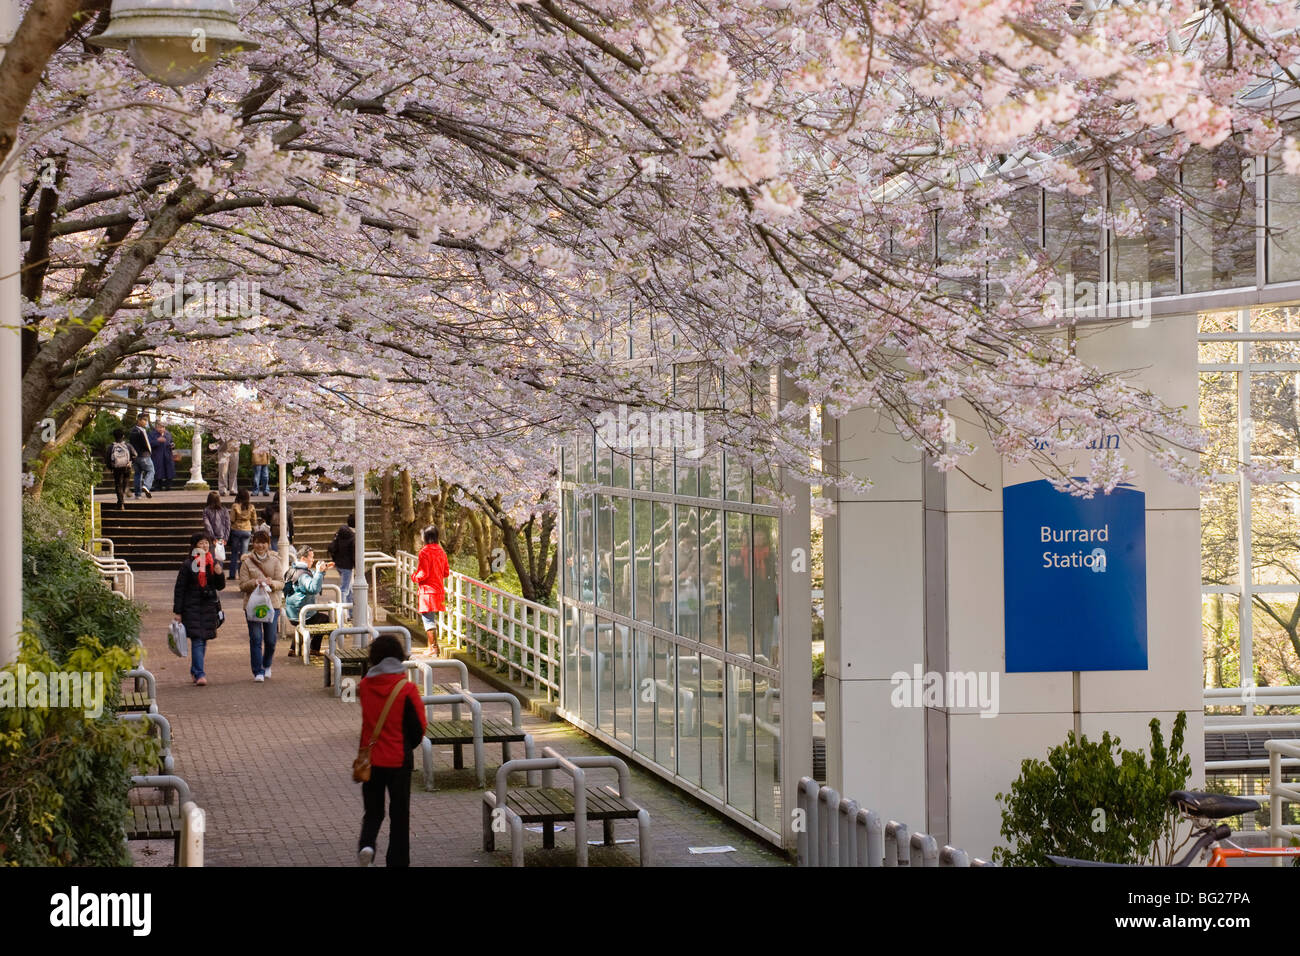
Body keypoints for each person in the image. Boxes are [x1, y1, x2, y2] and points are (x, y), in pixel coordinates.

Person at [356, 634, 426, 868]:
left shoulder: (365, 686)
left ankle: (367, 845)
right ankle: (397, 862)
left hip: (371, 760)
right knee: (399, 816)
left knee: (373, 812)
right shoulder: (406, 689)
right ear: (399, 657)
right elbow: (419, 727)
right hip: (398, 760)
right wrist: (407, 746)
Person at [173, 532, 225, 686]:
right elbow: (179, 589)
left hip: (209, 606)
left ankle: (195, 670)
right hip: (192, 607)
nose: (204, 546)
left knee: (203, 640)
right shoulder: (188, 564)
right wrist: (178, 612)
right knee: (197, 640)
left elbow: (220, 586)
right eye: (201, 543)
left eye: (207, 543)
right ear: (194, 546)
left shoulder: (212, 562)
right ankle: (200, 674)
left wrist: (219, 573)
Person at [237, 530, 284, 681]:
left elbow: (281, 582)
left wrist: (272, 583)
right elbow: (242, 585)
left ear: (268, 544)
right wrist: (255, 582)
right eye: (257, 542)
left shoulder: (275, 560)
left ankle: (267, 664)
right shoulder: (246, 562)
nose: (260, 545)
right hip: (253, 605)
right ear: (253, 543)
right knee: (256, 638)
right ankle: (258, 671)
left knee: (270, 639)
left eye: (263, 542)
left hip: (272, 604)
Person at [285, 546, 333, 656]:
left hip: (292, 611)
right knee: (324, 619)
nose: (313, 560)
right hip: (301, 612)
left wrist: (321, 571)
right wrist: (319, 572)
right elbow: (313, 588)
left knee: (308, 622)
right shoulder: (302, 574)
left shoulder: (293, 570)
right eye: (311, 557)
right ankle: (314, 649)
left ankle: (293, 649)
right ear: (303, 558)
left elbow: (311, 578)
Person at [410, 525, 450, 656]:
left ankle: (433, 647)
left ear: (426, 537)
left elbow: (423, 573)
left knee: (428, 620)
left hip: (427, 591)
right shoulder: (441, 552)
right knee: (431, 618)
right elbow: (446, 572)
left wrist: (414, 576)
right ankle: (432, 646)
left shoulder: (424, 552)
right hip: (438, 590)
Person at [329, 513, 357, 620]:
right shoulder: (352, 537)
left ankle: (350, 612)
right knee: (345, 589)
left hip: (339, 564)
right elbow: (354, 554)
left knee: (349, 589)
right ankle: (344, 614)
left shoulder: (341, 532)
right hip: (347, 566)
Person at [228, 489, 257, 579]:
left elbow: (232, 519)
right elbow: (254, 520)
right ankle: (242, 575)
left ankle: (232, 575)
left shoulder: (235, 506)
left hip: (236, 530)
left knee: (234, 553)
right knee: (244, 554)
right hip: (247, 530)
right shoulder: (251, 507)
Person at [104, 429, 135, 509]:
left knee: (118, 485)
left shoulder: (111, 447)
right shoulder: (128, 446)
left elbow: (107, 459)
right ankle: (125, 493)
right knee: (125, 482)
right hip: (127, 467)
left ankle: (120, 503)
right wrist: (131, 462)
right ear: (123, 436)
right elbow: (135, 454)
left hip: (116, 468)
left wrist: (111, 467)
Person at [128, 414, 154, 499]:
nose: (146, 422)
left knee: (137, 474)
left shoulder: (132, 430)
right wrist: (150, 452)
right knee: (151, 471)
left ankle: (137, 494)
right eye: (144, 420)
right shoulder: (141, 431)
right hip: (144, 455)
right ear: (139, 420)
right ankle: (146, 486)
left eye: (146, 420)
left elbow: (131, 444)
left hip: (135, 457)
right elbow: (146, 443)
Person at [202, 491, 230, 560]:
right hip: (221, 536)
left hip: (210, 538)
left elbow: (207, 525)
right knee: (219, 559)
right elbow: (228, 525)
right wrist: (226, 538)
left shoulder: (206, 510)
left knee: (210, 559)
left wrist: (213, 538)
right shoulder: (224, 509)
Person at [149, 422, 176, 492]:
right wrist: (157, 441)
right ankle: (158, 487)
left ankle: (168, 486)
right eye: (160, 427)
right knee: (158, 471)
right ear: (156, 427)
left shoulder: (168, 434)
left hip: (167, 455)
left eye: (163, 427)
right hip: (157, 456)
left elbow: (171, 442)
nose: (161, 429)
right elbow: (149, 444)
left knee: (169, 471)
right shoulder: (152, 434)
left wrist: (172, 445)